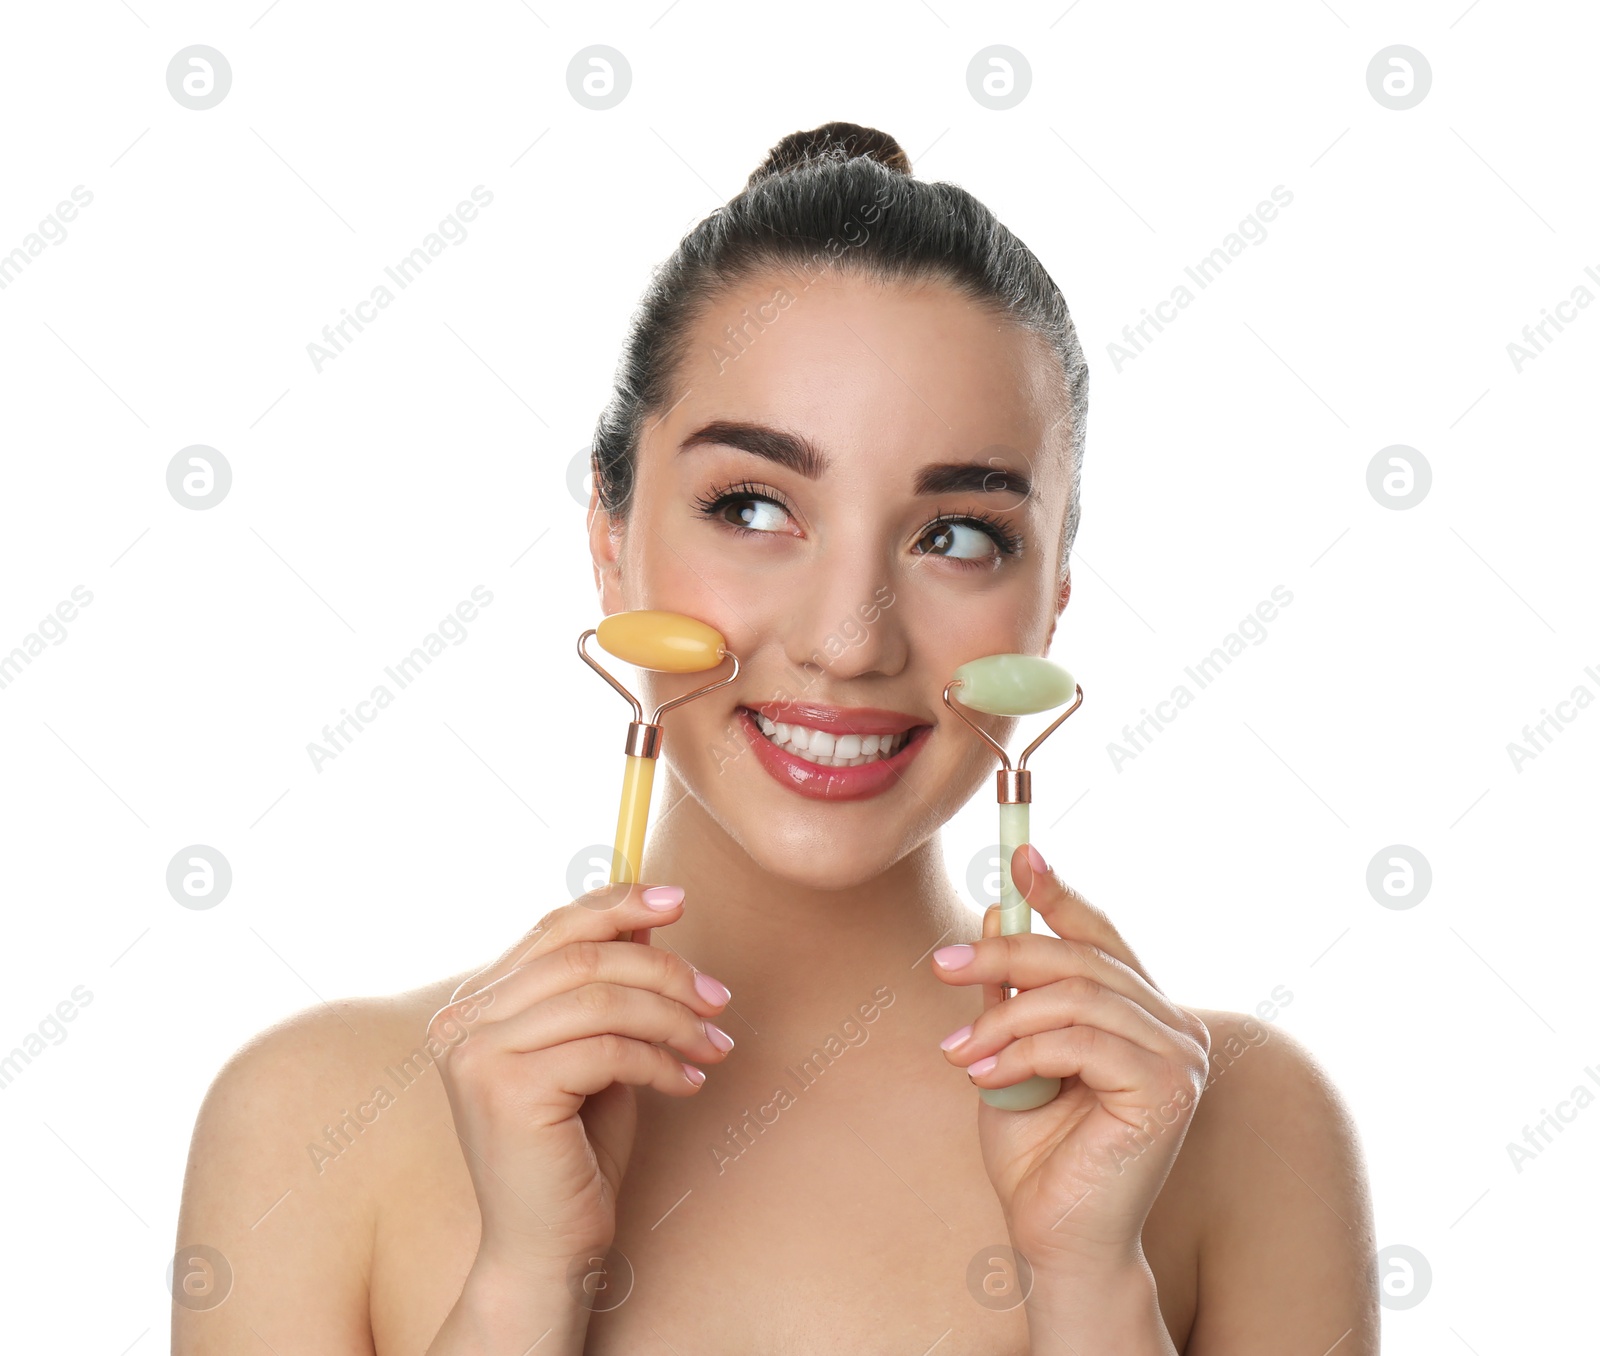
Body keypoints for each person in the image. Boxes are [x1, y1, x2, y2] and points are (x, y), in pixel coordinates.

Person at [174, 122, 1377, 1355]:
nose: (849, 641)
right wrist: (523, 1283)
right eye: (752, 507)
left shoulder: (1233, 1128)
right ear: (610, 533)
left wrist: (1090, 1285)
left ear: (1054, 593)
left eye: (959, 535)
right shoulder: (307, 1123)